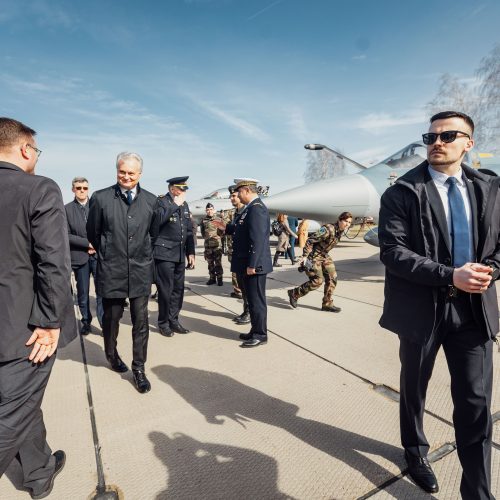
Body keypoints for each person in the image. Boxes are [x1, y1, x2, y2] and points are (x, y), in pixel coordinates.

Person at [378, 111, 500, 498]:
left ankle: (478, 493)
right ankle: (415, 451)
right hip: (421, 312)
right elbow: (392, 251)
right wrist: (450, 275)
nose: (437, 142)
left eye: (448, 135)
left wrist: (491, 272)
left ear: (468, 143)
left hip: (474, 313)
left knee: (476, 407)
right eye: (430, 137)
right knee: (414, 388)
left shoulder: (491, 189)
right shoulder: (402, 192)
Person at [0, 117, 77, 498]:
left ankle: (39, 472)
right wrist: (49, 321)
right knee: (9, 415)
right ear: (26, 149)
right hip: (23, 333)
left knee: (22, 404)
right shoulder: (39, 189)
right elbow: (52, 262)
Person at [87, 152, 156, 394]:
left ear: (140, 174)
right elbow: (93, 232)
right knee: (111, 319)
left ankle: (139, 368)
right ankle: (111, 354)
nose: (126, 177)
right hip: (112, 269)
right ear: (117, 171)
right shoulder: (100, 198)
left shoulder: (151, 201)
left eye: (131, 173)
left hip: (139, 271)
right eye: (122, 172)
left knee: (141, 322)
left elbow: (152, 233)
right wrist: (107, 252)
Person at [227, 178, 273, 348]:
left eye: (239, 192)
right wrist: (226, 228)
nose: (237, 195)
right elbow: (242, 230)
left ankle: (261, 334)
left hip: (255, 265)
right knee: (252, 300)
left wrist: (252, 264)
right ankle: (254, 330)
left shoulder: (257, 209)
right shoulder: (249, 209)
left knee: (257, 301)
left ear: (246, 190)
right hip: (248, 263)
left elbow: (258, 239)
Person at [152, 176, 195, 338]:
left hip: (179, 254)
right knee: (165, 290)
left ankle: (174, 320)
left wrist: (190, 252)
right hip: (164, 253)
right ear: (172, 189)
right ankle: (163, 322)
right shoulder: (161, 202)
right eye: (182, 189)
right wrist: (174, 205)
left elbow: (188, 230)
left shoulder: (185, 205)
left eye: (185, 189)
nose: (184, 192)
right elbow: (157, 222)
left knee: (178, 290)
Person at [287, 212, 352, 312]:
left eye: (349, 222)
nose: (347, 224)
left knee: (332, 278)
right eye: (345, 221)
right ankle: (295, 293)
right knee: (317, 281)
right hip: (314, 256)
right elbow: (310, 241)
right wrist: (305, 256)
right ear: (339, 220)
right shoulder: (328, 229)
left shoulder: (340, 231)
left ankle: (327, 304)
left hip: (324, 255)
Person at [65, 176, 103, 334]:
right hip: (80, 257)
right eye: (78, 188)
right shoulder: (66, 209)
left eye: (85, 188)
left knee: (102, 291)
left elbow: (105, 229)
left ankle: (104, 322)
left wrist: (97, 244)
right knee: (83, 293)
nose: (82, 191)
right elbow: (65, 234)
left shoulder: (98, 206)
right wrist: (86, 244)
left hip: (98, 256)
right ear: (73, 189)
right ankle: (86, 321)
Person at [222, 185, 250, 324]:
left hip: (246, 256)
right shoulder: (236, 213)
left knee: (247, 285)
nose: (232, 198)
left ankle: (249, 313)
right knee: (241, 284)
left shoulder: (247, 211)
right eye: (231, 196)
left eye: (234, 195)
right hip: (236, 254)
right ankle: (246, 311)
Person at [199, 203, 225, 286]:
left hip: (217, 245)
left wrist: (217, 237)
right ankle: (212, 278)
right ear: (206, 211)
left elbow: (222, 231)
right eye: (207, 210)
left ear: (214, 210)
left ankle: (220, 279)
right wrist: (207, 239)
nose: (209, 211)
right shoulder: (203, 220)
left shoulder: (218, 219)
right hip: (208, 246)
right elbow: (203, 232)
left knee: (218, 263)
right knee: (210, 263)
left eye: (211, 209)